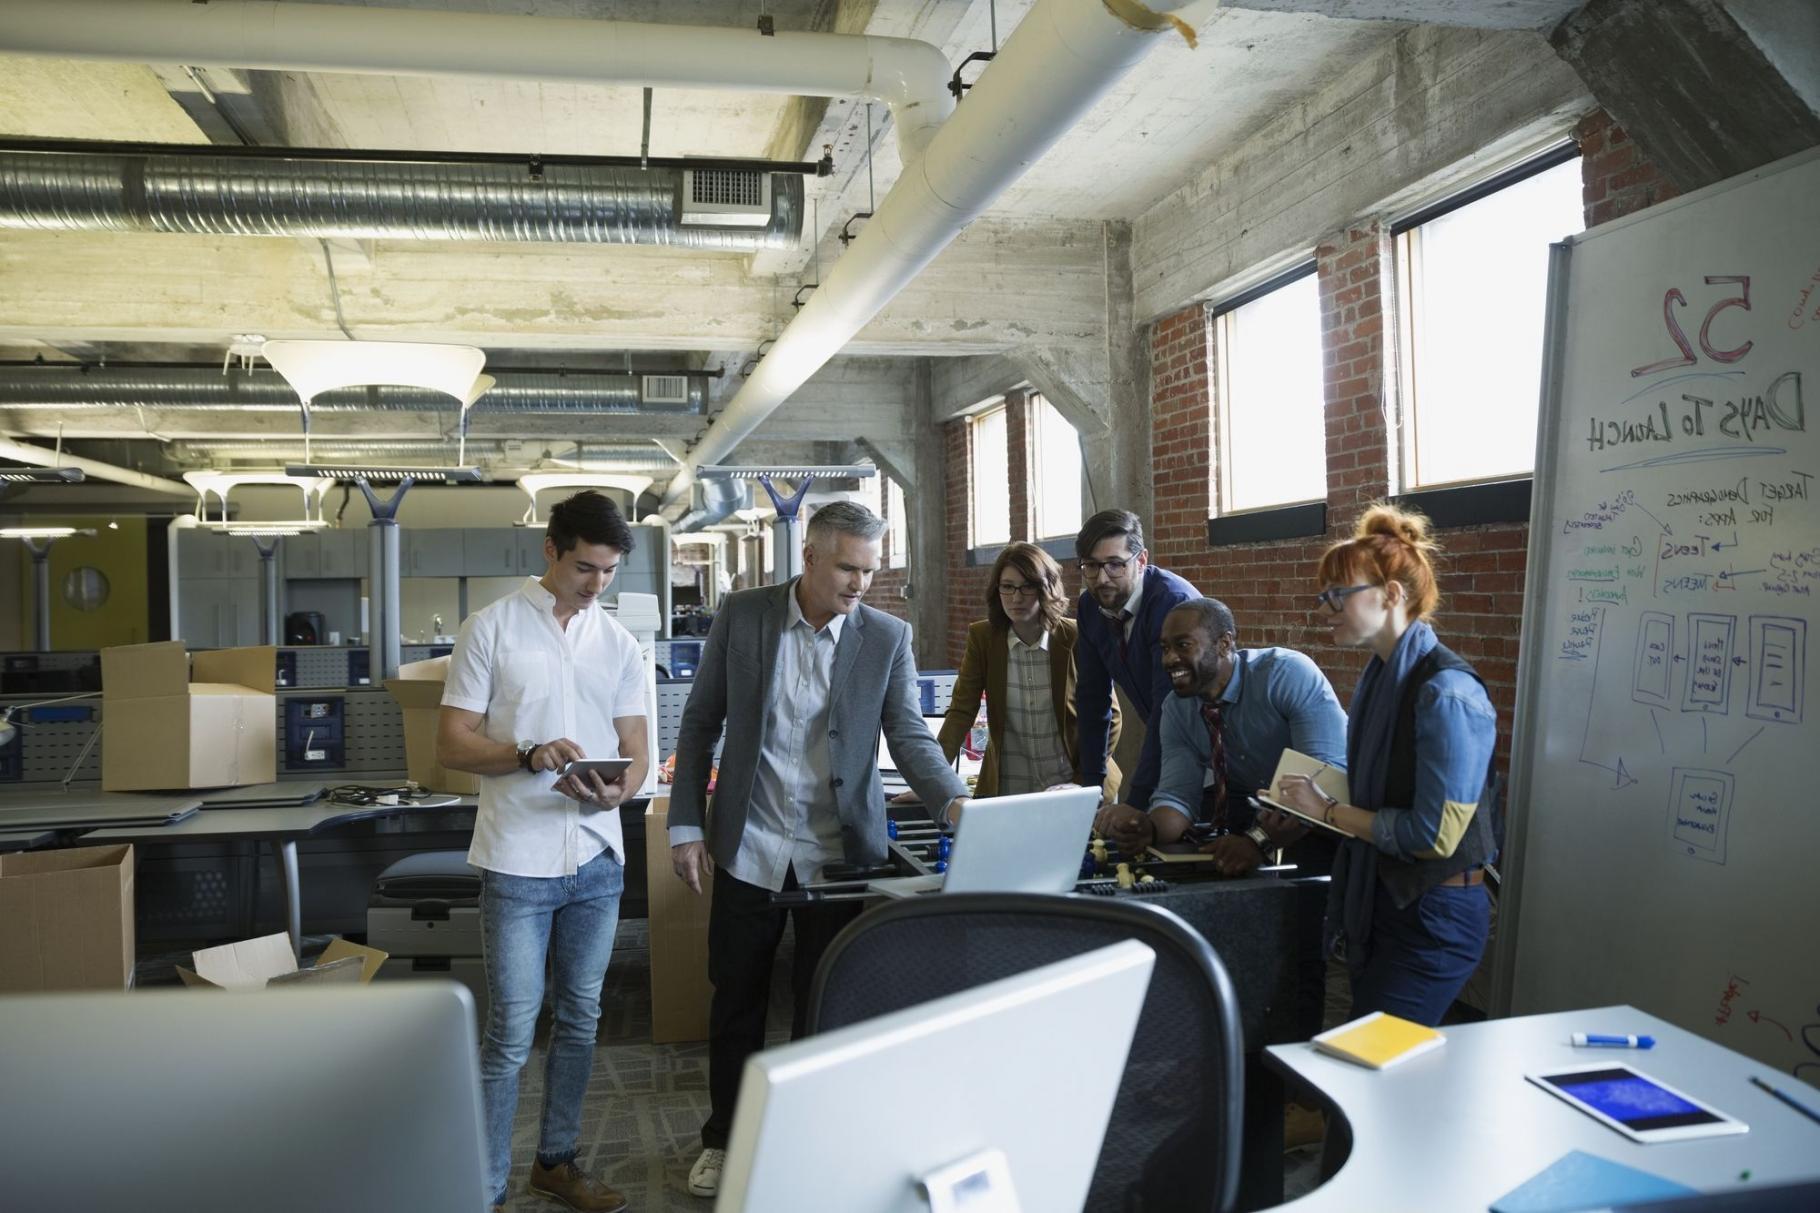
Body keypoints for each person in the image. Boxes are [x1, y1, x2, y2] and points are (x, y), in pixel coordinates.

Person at [668, 500, 970, 1199]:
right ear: (809, 556)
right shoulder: (744, 616)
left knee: (825, 997)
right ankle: (725, 1138)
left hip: (840, 851)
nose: (861, 582)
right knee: (736, 994)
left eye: (870, 569)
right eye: (848, 567)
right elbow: (699, 723)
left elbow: (910, 736)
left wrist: (956, 801)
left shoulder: (887, 636)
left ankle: (805, 1140)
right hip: (750, 842)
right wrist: (685, 823)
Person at [436, 490, 652, 1213]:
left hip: (596, 857)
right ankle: (488, 1186)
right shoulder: (490, 628)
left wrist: (621, 789)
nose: (596, 585)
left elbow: (638, 751)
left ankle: (555, 1162)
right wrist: (527, 754)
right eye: (585, 567)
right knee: (511, 1029)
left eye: (609, 572)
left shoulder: (620, 644)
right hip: (518, 860)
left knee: (584, 1018)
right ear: (551, 550)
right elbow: (451, 741)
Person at [1275, 504, 1499, 1027]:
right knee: (1384, 1071)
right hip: (1388, 903)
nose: (1325, 608)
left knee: (1370, 1069)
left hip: (1433, 917)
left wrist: (1327, 809)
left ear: (1393, 595)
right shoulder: (1380, 676)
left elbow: (1435, 834)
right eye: (1323, 595)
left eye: (1338, 595)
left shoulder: (1446, 692)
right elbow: (1387, 789)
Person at [1095, 597, 1348, 877]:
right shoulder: (1177, 708)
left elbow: (1321, 780)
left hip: (1334, 820)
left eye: (1183, 645)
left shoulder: (1286, 674)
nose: (1169, 659)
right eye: (1165, 648)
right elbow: (1177, 795)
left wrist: (1257, 841)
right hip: (1257, 814)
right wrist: (1148, 829)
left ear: (1224, 644)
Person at [929, 541, 1122, 800]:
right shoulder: (983, 638)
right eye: (1007, 587)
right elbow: (961, 712)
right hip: (1010, 787)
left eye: (1027, 587)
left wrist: (1082, 781)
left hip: (1074, 784)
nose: (1016, 598)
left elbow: (1112, 717)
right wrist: (932, 780)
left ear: (1046, 588)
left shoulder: (1077, 636)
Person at [1073, 509, 1199, 811]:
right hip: (1170, 739)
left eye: (1115, 565)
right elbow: (1092, 699)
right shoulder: (1090, 606)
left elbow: (1166, 707)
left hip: (1211, 747)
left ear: (1141, 561)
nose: (1102, 578)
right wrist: (1091, 790)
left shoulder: (1173, 605)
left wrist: (1137, 799)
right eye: (1091, 566)